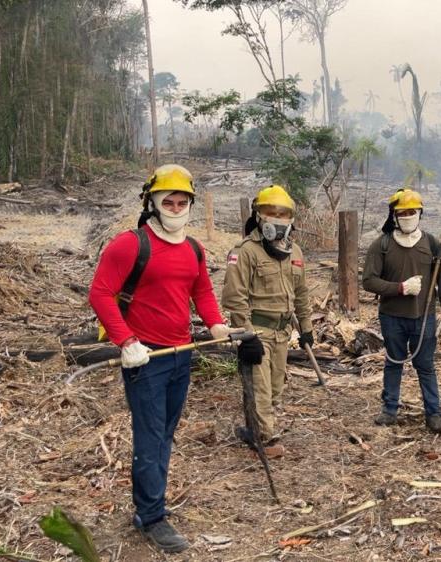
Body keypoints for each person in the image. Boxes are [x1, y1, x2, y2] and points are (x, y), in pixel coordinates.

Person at [89, 164, 235, 553]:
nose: (174, 207)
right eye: (166, 200)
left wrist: (216, 324)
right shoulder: (129, 245)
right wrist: (126, 341)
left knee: (165, 434)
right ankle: (151, 516)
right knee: (151, 437)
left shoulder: (193, 249)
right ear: (151, 203)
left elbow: (201, 291)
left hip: (181, 355)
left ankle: (150, 502)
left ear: (190, 203)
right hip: (145, 359)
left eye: (181, 200)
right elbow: (101, 294)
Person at [221, 185, 313, 458]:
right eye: (270, 212)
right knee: (259, 388)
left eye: (283, 213)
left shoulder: (295, 252)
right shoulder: (245, 251)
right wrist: (245, 335)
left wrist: (306, 328)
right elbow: (235, 298)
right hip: (257, 331)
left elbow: (302, 293)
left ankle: (255, 427)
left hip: (283, 331)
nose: (276, 217)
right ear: (258, 216)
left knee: (274, 387)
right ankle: (266, 438)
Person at [362, 188, 441, 434]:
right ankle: (390, 409)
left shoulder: (432, 243)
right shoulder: (381, 245)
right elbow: (369, 281)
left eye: (412, 212)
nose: (407, 216)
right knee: (394, 362)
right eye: (402, 212)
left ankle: (434, 413)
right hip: (391, 316)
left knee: (425, 365)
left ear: (420, 213)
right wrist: (400, 288)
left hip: (423, 317)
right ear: (393, 215)